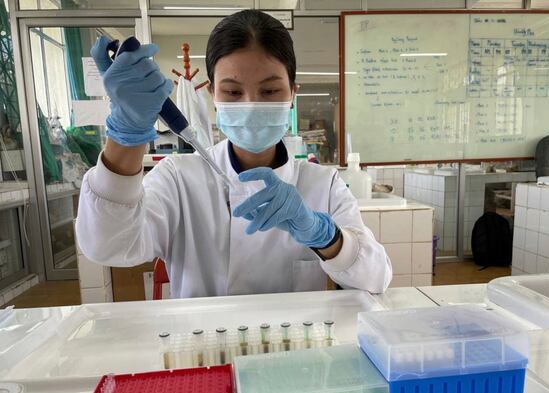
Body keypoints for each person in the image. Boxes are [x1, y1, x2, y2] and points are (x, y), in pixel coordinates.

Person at [76, 10, 392, 298]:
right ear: (212, 94)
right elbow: (109, 246)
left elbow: (376, 279)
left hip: (297, 355)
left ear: (292, 93)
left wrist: (325, 237)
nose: (250, 103)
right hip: (202, 351)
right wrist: (126, 136)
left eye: (269, 91)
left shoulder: (323, 183)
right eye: (232, 91)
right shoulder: (179, 177)